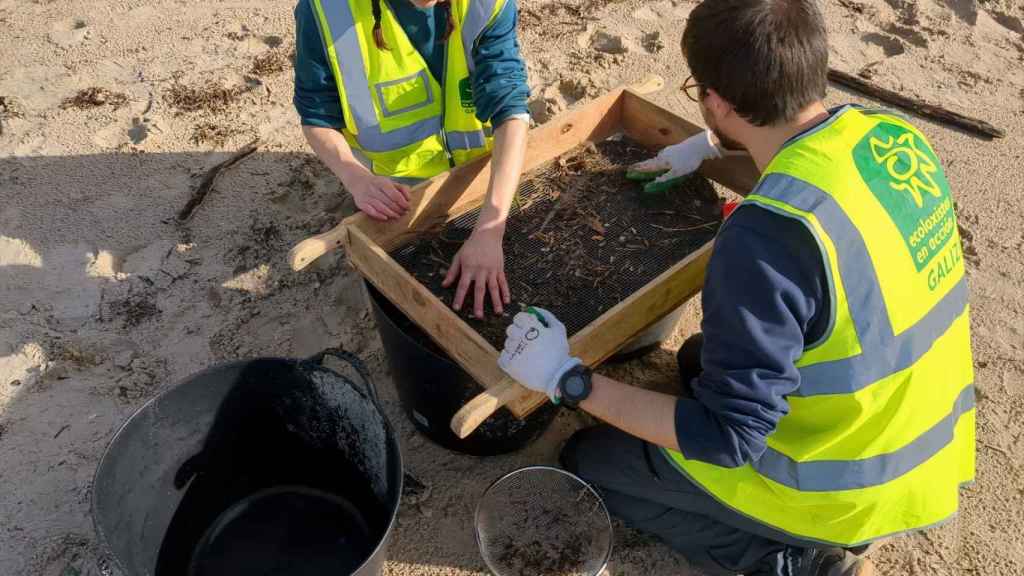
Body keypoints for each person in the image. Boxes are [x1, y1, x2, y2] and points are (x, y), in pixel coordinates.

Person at [496, 1, 975, 575]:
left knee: (591, 460)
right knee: (700, 360)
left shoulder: (763, 241)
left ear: (717, 101)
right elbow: (816, 177)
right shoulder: (892, 137)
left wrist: (566, 379)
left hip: (842, 487)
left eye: (698, 90)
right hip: (925, 442)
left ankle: (797, 562)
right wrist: (709, 146)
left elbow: (728, 438)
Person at [294, 0, 530, 318]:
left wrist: (489, 229)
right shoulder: (326, 10)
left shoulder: (486, 5)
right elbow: (317, 117)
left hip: (483, 174)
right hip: (396, 192)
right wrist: (355, 176)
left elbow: (511, 109)